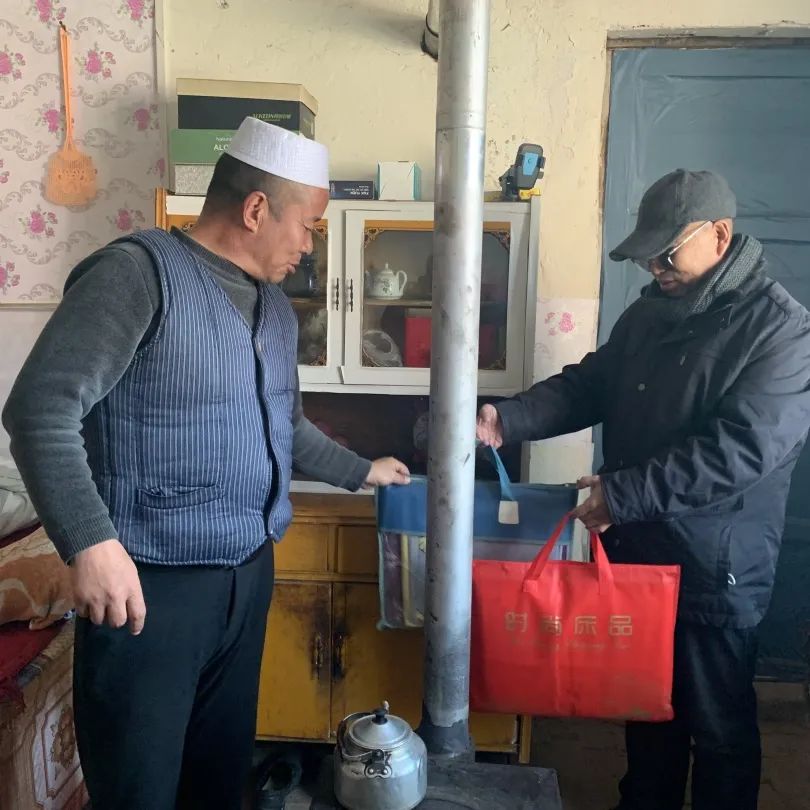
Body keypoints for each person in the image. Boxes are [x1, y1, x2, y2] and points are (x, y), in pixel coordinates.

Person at [2, 117, 410, 810]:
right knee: (140, 789)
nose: (309, 245)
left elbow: (285, 427)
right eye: (307, 225)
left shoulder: (275, 310)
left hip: (247, 577)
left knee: (217, 780)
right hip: (148, 588)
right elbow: (40, 411)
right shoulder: (136, 274)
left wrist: (361, 470)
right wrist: (90, 543)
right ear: (256, 209)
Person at [476, 169, 810, 810]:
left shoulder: (781, 331)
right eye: (647, 255)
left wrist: (622, 496)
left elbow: (739, 452)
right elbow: (590, 385)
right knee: (648, 708)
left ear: (719, 235)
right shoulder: (651, 313)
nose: (655, 267)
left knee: (719, 731)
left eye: (666, 252)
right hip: (643, 557)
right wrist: (506, 419)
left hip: (716, 570)